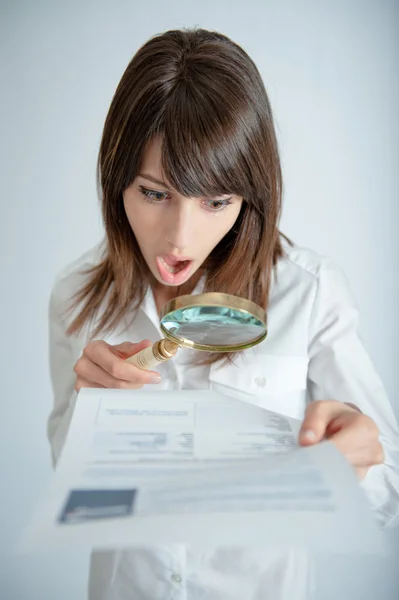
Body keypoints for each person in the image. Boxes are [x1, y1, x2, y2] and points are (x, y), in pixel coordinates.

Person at [47, 27, 399, 600]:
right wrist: (96, 420)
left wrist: (356, 461)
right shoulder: (75, 295)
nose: (179, 238)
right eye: (155, 193)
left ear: (251, 196)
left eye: (217, 200)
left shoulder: (309, 292)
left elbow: (389, 492)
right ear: (117, 184)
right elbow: (71, 486)